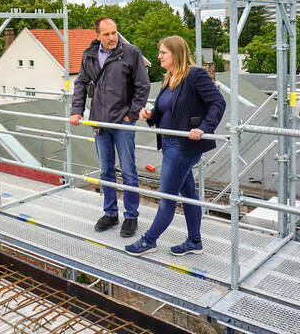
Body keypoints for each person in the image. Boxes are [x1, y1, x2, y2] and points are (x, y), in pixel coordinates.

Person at [125, 35, 226, 256]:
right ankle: (195, 241)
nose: (159, 56)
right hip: (169, 144)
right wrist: (150, 114)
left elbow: (218, 102)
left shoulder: (194, 75)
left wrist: (205, 128)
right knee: (188, 194)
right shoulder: (170, 77)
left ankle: (149, 240)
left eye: (163, 52)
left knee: (168, 197)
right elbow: (166, 110)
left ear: (176, 54)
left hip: (184, 147)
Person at [70, 17, 150, 237]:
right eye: (106, 34)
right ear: (97, 36)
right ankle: (111, 214)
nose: (112, 37)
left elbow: (142, 87)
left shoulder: (131, 53)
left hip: (123, 123)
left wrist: (130, 116)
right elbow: (80, 84)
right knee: (106, 171)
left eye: (114, 32)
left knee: (128, 171)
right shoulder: (89, 55)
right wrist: (76, 110)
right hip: (99, 121)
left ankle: (131, 217)